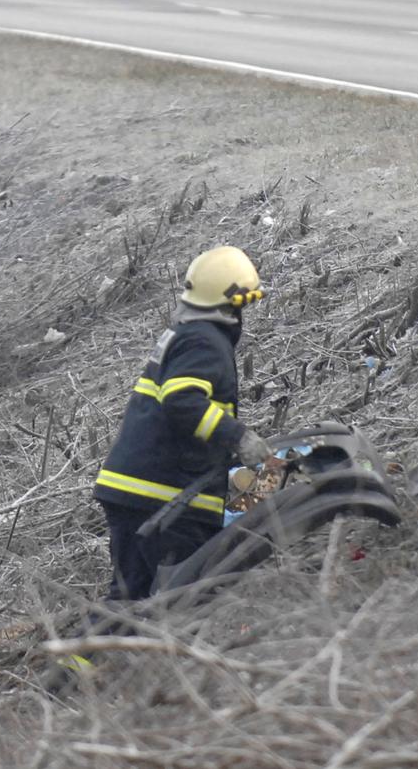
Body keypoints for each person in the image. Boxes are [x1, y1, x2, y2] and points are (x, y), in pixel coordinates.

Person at [91, 245, 273, 602]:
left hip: (139, 490)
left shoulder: (187, 334)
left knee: (132, 596)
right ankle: (119, 654)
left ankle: (89, 656)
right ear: (232, 305)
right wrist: (238, 437)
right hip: (162, 498)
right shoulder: (204, 341)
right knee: (185, 598)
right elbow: (181, 401)